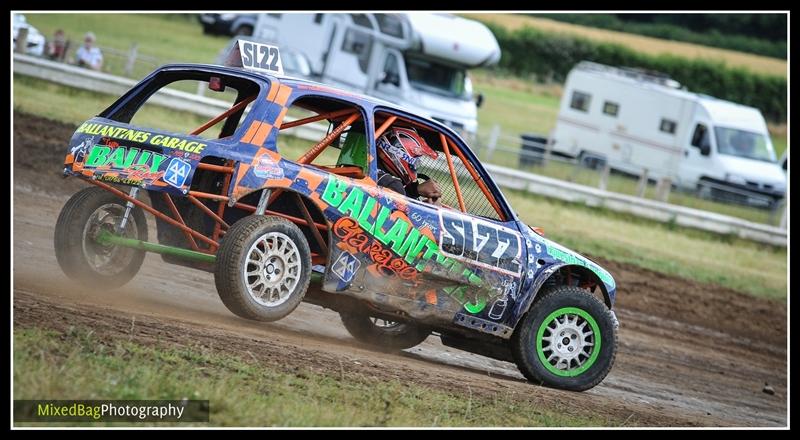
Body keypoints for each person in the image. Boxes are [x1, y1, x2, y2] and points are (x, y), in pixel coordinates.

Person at [375, 126, 443, 204]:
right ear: (399, 154)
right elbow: (403, 214)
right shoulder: (393, 184)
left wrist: (415, 191)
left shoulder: (372, 169)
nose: (416, 164)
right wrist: (432, 210)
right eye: (415, 159)